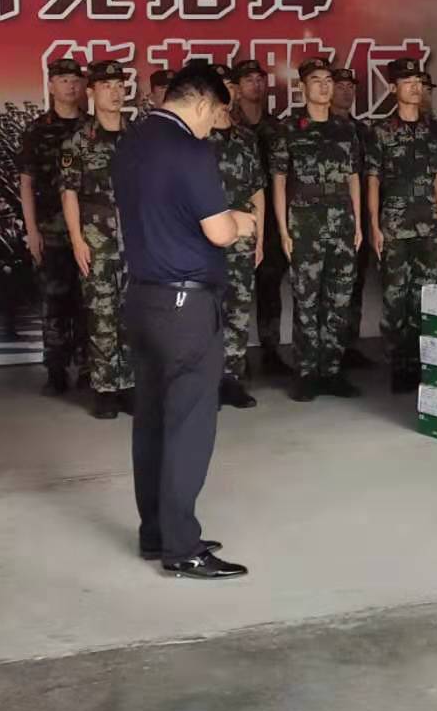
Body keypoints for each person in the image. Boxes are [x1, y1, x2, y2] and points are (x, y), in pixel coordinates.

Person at [116, 62, 259, 579]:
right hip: (185, 307)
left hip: (142, 297)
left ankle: (155, 532)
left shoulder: (131, 141)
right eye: (216, 115)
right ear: (201, 102)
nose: (213, 127)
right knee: (189, 425)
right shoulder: (189, 149)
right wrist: (243, 221)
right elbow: (218, 231)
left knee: (152, 420)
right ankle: (182, 547)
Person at [271, 59, 364, 402]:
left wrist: (357, 222)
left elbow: (353, 178)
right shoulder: (289, 128)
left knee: (339, 299)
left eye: (328, 80)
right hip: (305, 223)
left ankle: (332, 371)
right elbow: (279, 181)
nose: (325, 86)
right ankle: (307, 373)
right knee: (307, 300)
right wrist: (283, 229)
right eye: (316, 80)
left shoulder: (346, 129)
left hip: (342, 221)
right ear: (302, 87)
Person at [364, 60, 437, 393]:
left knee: (426, 295)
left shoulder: (434, 130)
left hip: (428, 221)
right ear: (393, 88)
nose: (415, 87)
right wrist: (374, 225)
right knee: (395, 296)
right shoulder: (381, 131)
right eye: (407, 81)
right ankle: (398, 365)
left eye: (419, 81)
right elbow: (373, 180)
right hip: (395, 224)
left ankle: (423, 362)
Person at [62, 63, 138, 419]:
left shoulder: (138, 136)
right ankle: (105, 389)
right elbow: (69, 193)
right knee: (101, 313)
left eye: (119, 85)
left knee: (133, 312)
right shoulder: (78, 140)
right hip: (97, 238)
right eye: (106, 86)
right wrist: (77, 240)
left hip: (136, 237)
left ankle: (130, 385)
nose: (115, 92)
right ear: (91, 92)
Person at [17, 58, 89, 395]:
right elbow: (26, 183)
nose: (70, 86)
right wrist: (32, 231)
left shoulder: (92, 127)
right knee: (55, 303)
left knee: (89, 303)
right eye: (63, 80)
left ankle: (89, 368)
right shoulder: (37, 130)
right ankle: (56, 369)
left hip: (91, 231)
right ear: (51, 86)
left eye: (75, 80)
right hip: (52, 230)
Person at [231, 62, 292, 379]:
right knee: (233, 293)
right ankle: (234, 360)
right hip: (235, 220)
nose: (255, 84)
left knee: (269, 288)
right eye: (248, 80)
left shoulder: (276, 127)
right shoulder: (227, 126)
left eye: (260, 79)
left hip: (268, 222)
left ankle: (270, 351)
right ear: (236, 88)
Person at [207, 94, 265, 409]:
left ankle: (232, 379)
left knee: (238, 309)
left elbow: (257, 190)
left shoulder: (245, 138)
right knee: (208, 311)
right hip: (207, 237)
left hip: (243, 237)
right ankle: (208, 381)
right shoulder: (197, 138)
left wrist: (260, 237)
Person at [332, 71, 375, 370]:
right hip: (327, 217)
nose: (346, 92)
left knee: (355, 284)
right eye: (340, 86)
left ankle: (350, 345)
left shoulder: (362, 131)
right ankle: (329, 350)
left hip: (357, 219)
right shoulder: (318, 128)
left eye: (351, 87)